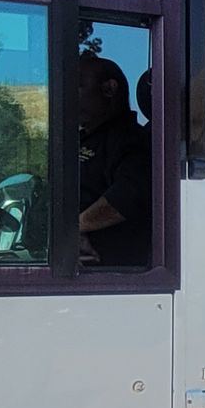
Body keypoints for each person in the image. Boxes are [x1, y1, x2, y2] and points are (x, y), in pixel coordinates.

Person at [78, 52, 151, 266]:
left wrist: (74, 228)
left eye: (78, 84)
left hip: (108, 269)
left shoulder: (132, 140)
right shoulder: (81, 139)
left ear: (109, 89)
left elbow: (128, 197)